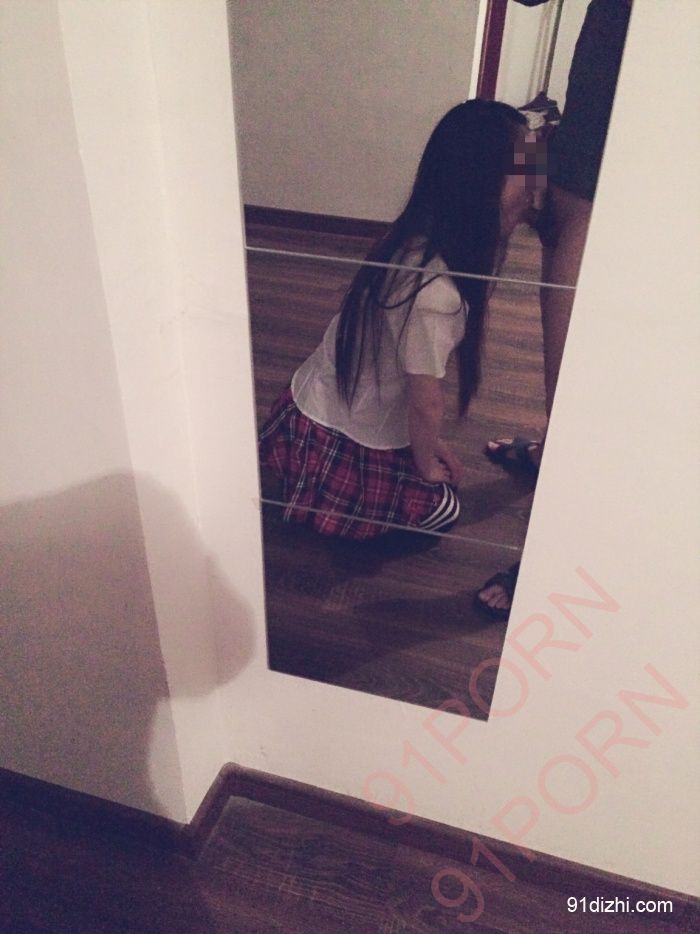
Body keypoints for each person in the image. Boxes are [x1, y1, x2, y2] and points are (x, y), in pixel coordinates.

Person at [260, 99, 537, 541]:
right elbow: (425, 402)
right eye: (524, 169)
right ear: (477, 183)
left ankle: (318, 493)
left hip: (319, 400)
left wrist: (429, 444)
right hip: (343, 429)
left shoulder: (415, 240)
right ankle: (331, 506)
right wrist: (424, 462)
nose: (534, 183)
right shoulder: (435, 294)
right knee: (443, 511)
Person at [476, 0, 632, 619]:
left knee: (586, 395)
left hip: (637, 177)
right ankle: (551, 453)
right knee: (564, 389)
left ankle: (554, 554)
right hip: (578, 159)